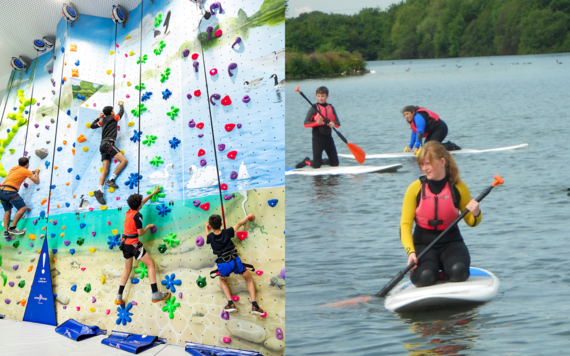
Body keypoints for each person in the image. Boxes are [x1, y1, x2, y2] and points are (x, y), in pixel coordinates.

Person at [400, 141, 481, 287]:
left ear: (442, 162)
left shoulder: (458, 187)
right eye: (422, 164)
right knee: (425, 277)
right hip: (423, 245)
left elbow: (471, 221)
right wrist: (411, 253)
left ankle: (446, 271)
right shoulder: (414, 189)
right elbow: (405, 226)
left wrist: (476, 213)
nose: (424, 168)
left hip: (452, 243)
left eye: (428, 164)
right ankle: (433, 272)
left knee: (459, 272)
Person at [115, 187, 170, 305]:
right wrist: (148, 226)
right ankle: (155, 293)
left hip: (124, 243)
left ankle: (119, 296)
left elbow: (141, 202)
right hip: (133, 244)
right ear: (139, 206)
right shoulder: (138, 215)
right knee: (150, 264)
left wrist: (153, 193)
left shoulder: (129, 212)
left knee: (127, 269)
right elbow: (139, 233)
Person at [206, 213, 264, 315]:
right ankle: (255, 306)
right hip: (234, 261)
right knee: (249, 279)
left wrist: (206, 228)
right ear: (221, 223)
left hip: (222, 264)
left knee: (223, 281)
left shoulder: (210, 237)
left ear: (210, 226)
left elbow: (207, 235)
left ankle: (230, 303)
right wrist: (248, 216)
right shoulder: (227, 232)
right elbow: (239, 224)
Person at [89, 100, 127, 205]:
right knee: (123, 161)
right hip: (109, 144)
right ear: (111, 112)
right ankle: (111, 179)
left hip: (102, 146)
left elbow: (92, 125)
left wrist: (99, 117)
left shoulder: (102, 121)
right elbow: (121, 112)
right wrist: (121, 105)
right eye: (113, 110)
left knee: (105, 170)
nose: (114, 112)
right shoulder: (114, 118)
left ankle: (100, 190)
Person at [296, 86, 341, 169]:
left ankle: (321, 161)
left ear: (327, 96)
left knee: (335, 164)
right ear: (316, 96)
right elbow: (305, 124)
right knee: (316, 165)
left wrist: (333, 124)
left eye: (323, 96)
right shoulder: (314, 108)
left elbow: (338, 123)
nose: (321, 98)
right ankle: (306, 161)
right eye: (319, 96)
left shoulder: (331, 108)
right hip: (317, 140)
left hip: (328, 139)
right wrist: (317, 123)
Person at [0, 157, 39, 238]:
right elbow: (36, 181)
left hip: (1, 191)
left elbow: (19, 174)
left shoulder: (13, 168)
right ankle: (13, 227)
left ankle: (6, 232)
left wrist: (29, 173)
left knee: (7, 212)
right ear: (27, 164)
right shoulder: (25, 171)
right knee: (23, 208)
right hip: (10, 191)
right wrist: (36, 173)